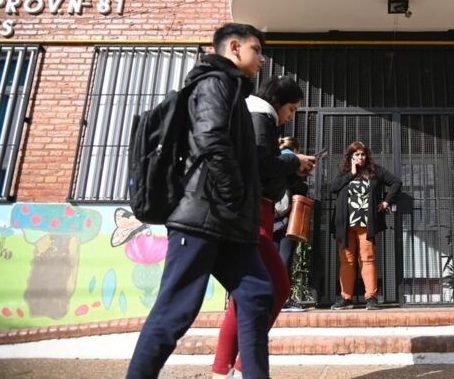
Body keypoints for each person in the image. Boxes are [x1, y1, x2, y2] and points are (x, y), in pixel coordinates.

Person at [126, 23, 273, 379]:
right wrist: (235, 192)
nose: (262, 60)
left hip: (226, 221)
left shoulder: (232, 89)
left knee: (256, 295)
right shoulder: (214, 83)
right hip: (201, 219)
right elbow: (210, 139)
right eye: (257, 50)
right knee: (175, 311)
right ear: (234, 47)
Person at [212, 76, 316, 377]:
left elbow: (264, 170)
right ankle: (243, 365)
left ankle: (223, 368)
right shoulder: (259, 118)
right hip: (253, 217)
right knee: (278, 288)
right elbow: (259, 165)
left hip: (258, 215)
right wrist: (291, 160)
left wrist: (294, 168)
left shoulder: (258, 118)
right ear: (279, 102)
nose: (291, 116)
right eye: (292, 109)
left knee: (246, 295)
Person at [329, 141, 402, 310]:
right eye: (356, 155)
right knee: (346, 260)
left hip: (366, 224)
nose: (360, 157)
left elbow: (396, 182)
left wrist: (386, 202)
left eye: (362, 154)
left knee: (367, 259)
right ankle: (346, 298)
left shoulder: (375, 171)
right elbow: (333, 188)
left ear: (366, 156)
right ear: (351, 157)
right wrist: (352, 173)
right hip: (345, 224)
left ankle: (371, 297)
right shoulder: (344, 172)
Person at [275, 136, 310, 312]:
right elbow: (300, 189)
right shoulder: (291, 162)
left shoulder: (274, 160)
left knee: (269, 260)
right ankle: (283, 299)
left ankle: (272, 298)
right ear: (296, 150)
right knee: (284, 260)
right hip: (286, 219)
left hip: (269, 217)